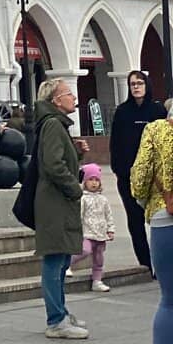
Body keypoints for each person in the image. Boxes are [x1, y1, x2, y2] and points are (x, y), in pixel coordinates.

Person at [34, 77, 87, 340]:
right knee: (55, 260)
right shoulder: (54, 124)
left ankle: (61, 313)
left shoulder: (55, 124)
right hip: (54, 202)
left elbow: (58, 159)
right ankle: (56, 320)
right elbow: (53, 165)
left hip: (57, 201)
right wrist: (75, 188)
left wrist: (76, 154)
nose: (74, 98)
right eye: (69, 94)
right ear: (56, 100)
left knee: (61, 258)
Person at [110, 69, 166, 273]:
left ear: (147, 85)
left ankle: (162, 263)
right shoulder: (123, 111)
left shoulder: (156, 111)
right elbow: (115, 143)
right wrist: (119, 169)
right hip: (128, 176)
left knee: (159, 220)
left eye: (139, 83)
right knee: (135, 220)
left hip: (154, 177)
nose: (136, 87)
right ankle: (145, 264)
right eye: (132, 84)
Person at [130, 99, 173, 343]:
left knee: (170, 301)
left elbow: (141, 175)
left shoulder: (156, 130)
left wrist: (145, 202)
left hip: (165, 220)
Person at [66, 163, 115, 292]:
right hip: (87, 232)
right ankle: (66, 264)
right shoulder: (83, 198)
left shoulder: (103, 199)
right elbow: (79, 215)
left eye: (96, 180)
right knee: (85, 250)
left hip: (100, 234)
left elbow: (108, 215)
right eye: (90, 180)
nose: (94, 183)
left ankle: (97, 281)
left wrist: (110, 229)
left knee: (99, 258)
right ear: (85, 182)